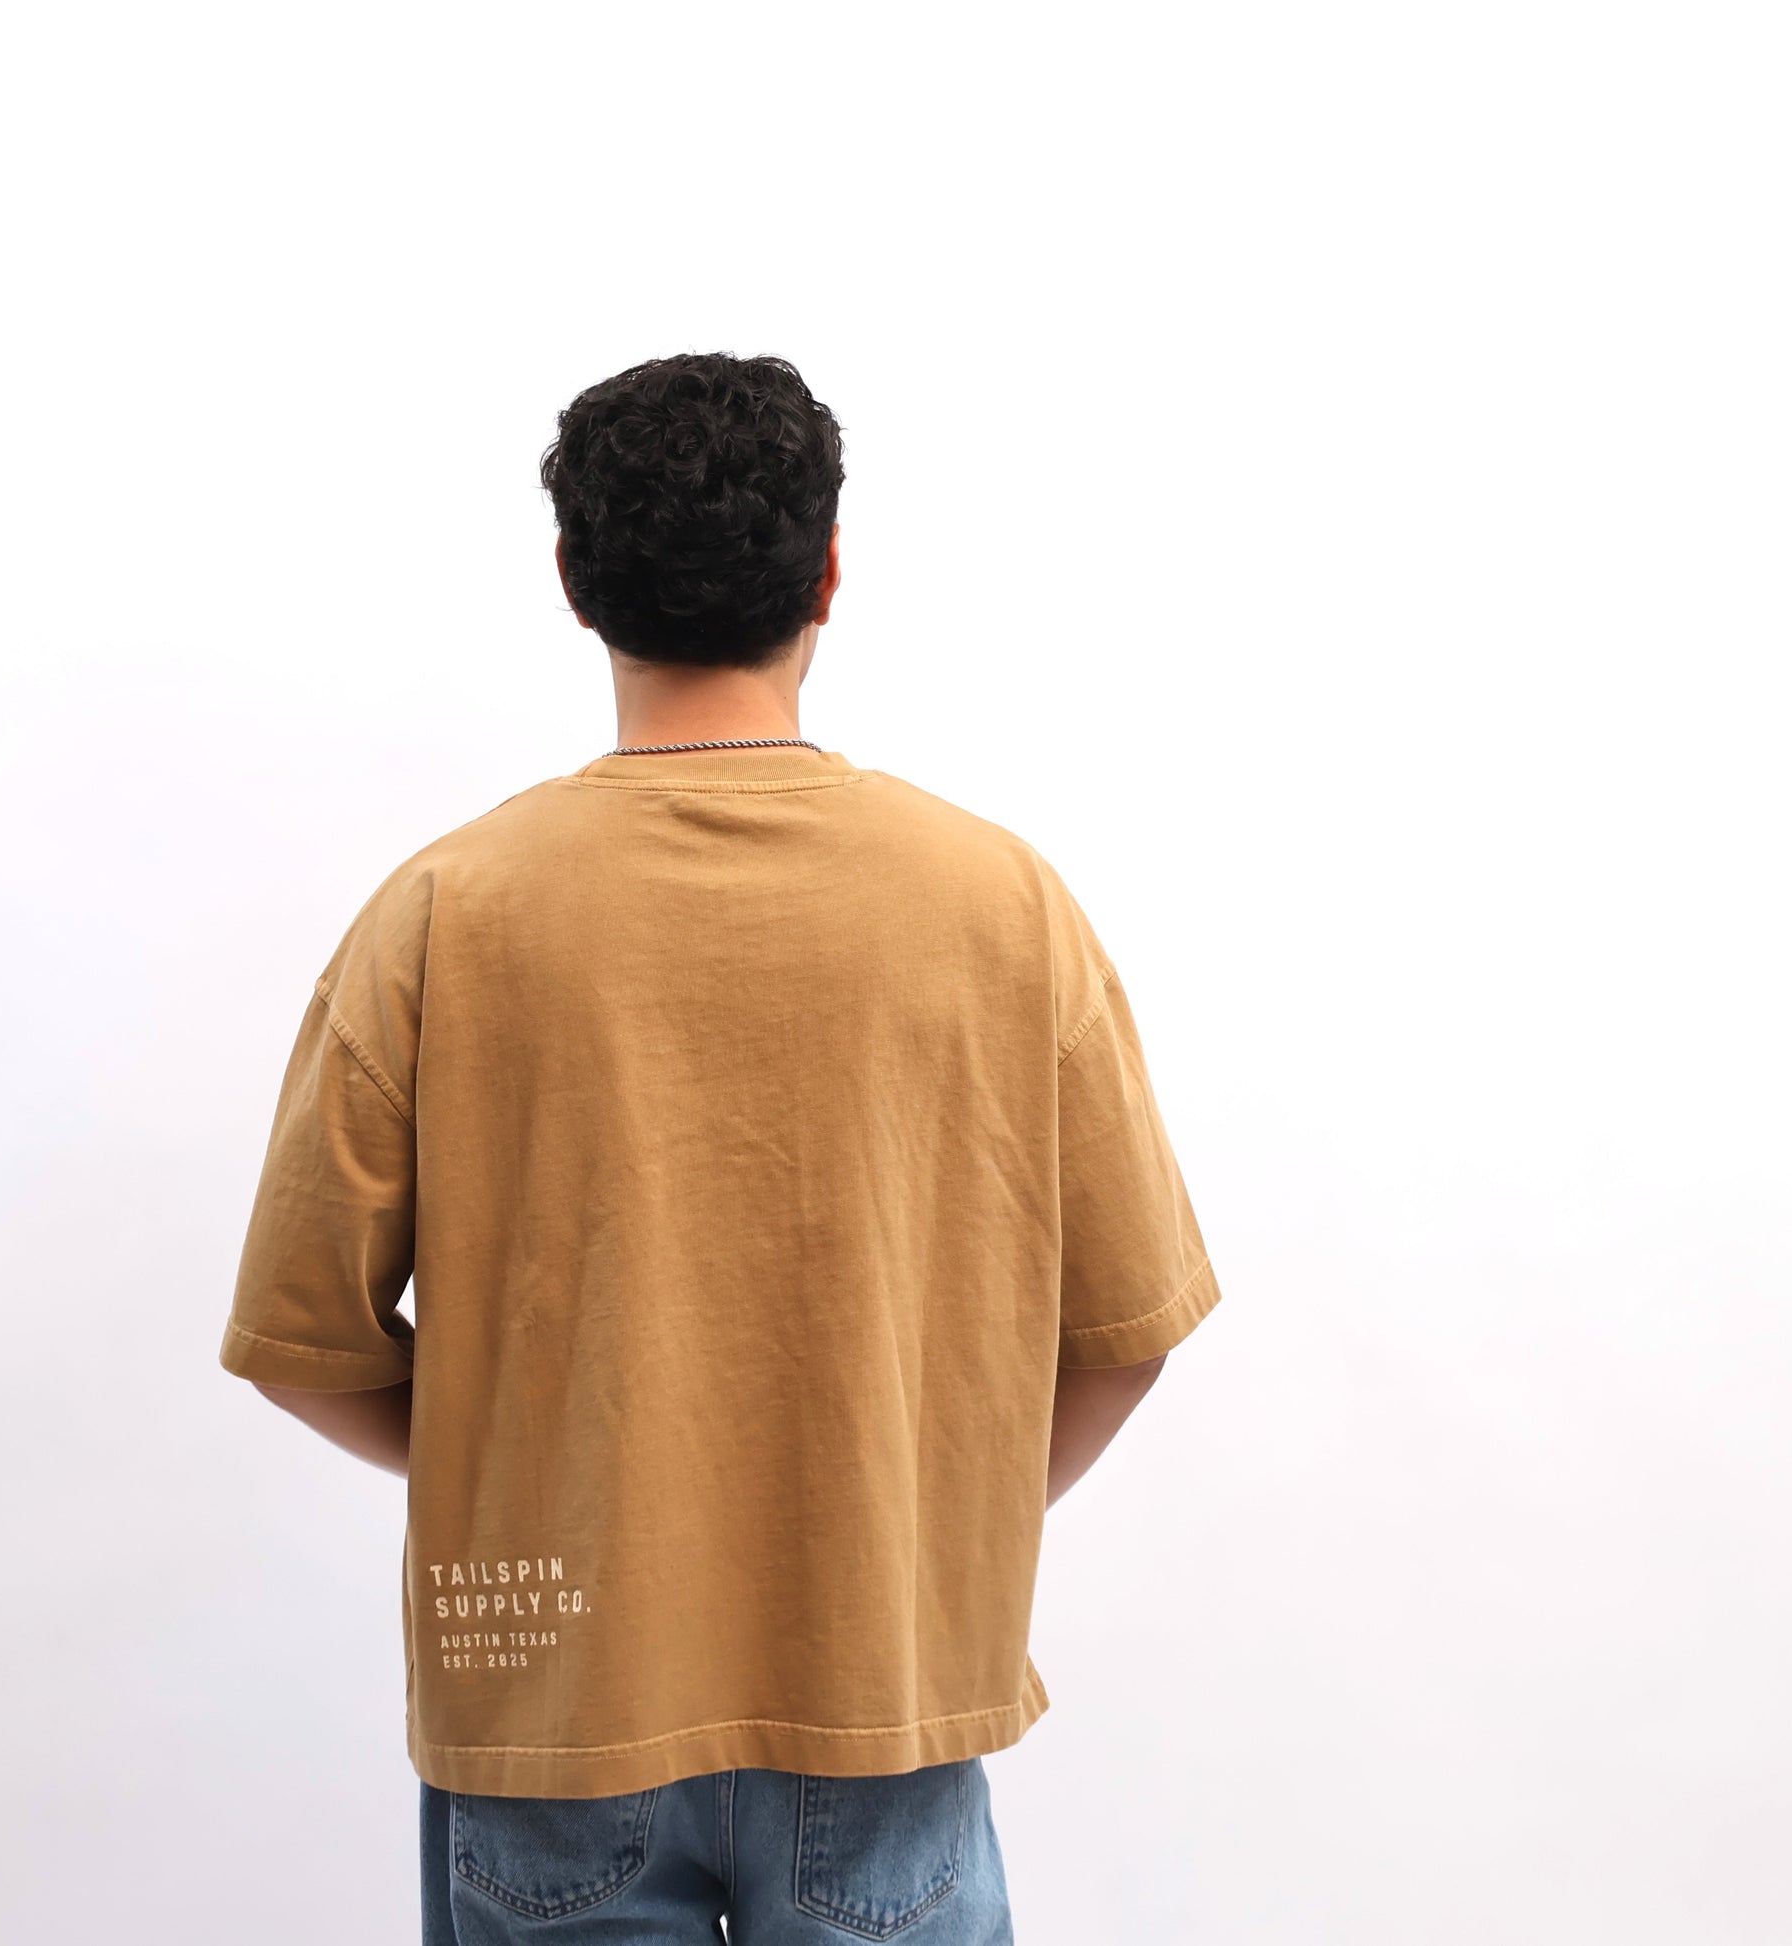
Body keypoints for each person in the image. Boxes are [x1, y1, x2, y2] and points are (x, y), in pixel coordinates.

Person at [219, 352, 1222, 1944]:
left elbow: (301, 1339)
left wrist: (550, 1469)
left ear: (573, 580)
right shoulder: (1001, 904)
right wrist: (906, 1513)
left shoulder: (445, 914)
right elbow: (1128, 1330)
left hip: (555, 1686)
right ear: (827, 573)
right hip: (878, 1682)